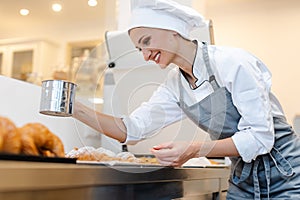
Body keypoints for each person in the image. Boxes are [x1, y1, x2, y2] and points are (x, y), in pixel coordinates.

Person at [73, 0, 300, 199]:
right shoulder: (175, 85)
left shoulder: (233, 62)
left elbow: (261, 137)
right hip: (243, 180)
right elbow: (131, 130)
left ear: (172, 31)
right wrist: (74, 107)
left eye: (147, 41)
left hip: (287, 172)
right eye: (139, 49)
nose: (145, 55)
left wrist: (193, 149)